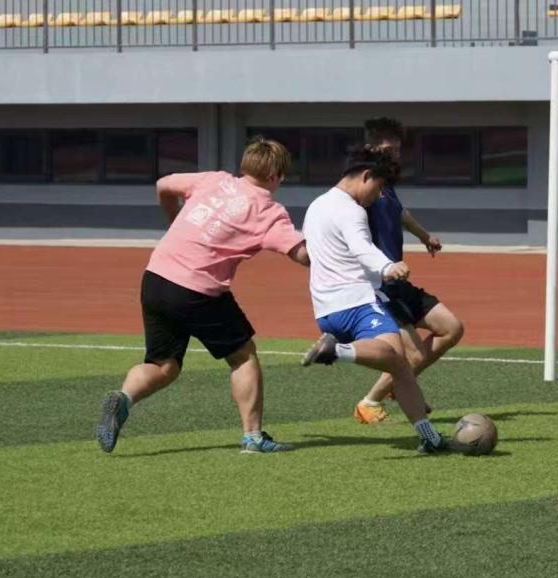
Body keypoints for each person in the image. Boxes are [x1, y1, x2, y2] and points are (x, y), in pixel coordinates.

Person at [95, 137, 311, 455]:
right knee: (242, 356)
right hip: (197, 289)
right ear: (275, 176)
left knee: (164, 365)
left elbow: (163, 185)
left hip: (155, 277)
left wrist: (173, 220)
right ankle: (253, 438)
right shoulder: (269, 211)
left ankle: (124, 398)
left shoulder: (214, 180)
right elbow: (302, 255)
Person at [299, 146, 453, 454]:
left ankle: (430, 438)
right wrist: (387, 266)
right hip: (357, 302)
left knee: (400, 366)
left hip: (325, 309)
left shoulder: (316, 206)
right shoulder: (351, 210)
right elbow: (361, 248)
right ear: (366, 176)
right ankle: (337, 350)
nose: (379, 195)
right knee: (396, 357)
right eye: (379, 186)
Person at [350, 118, 465, 425]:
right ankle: (370, 402)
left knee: (452, 328)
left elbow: (400, 213)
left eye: (399, 150)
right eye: (391, 150)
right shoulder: (358, 189)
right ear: (372, 148)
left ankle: (400, 386)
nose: (397, 155)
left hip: (397, 281)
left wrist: (425, 236)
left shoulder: (386, 184)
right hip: (377, 285)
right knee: (412, 355)